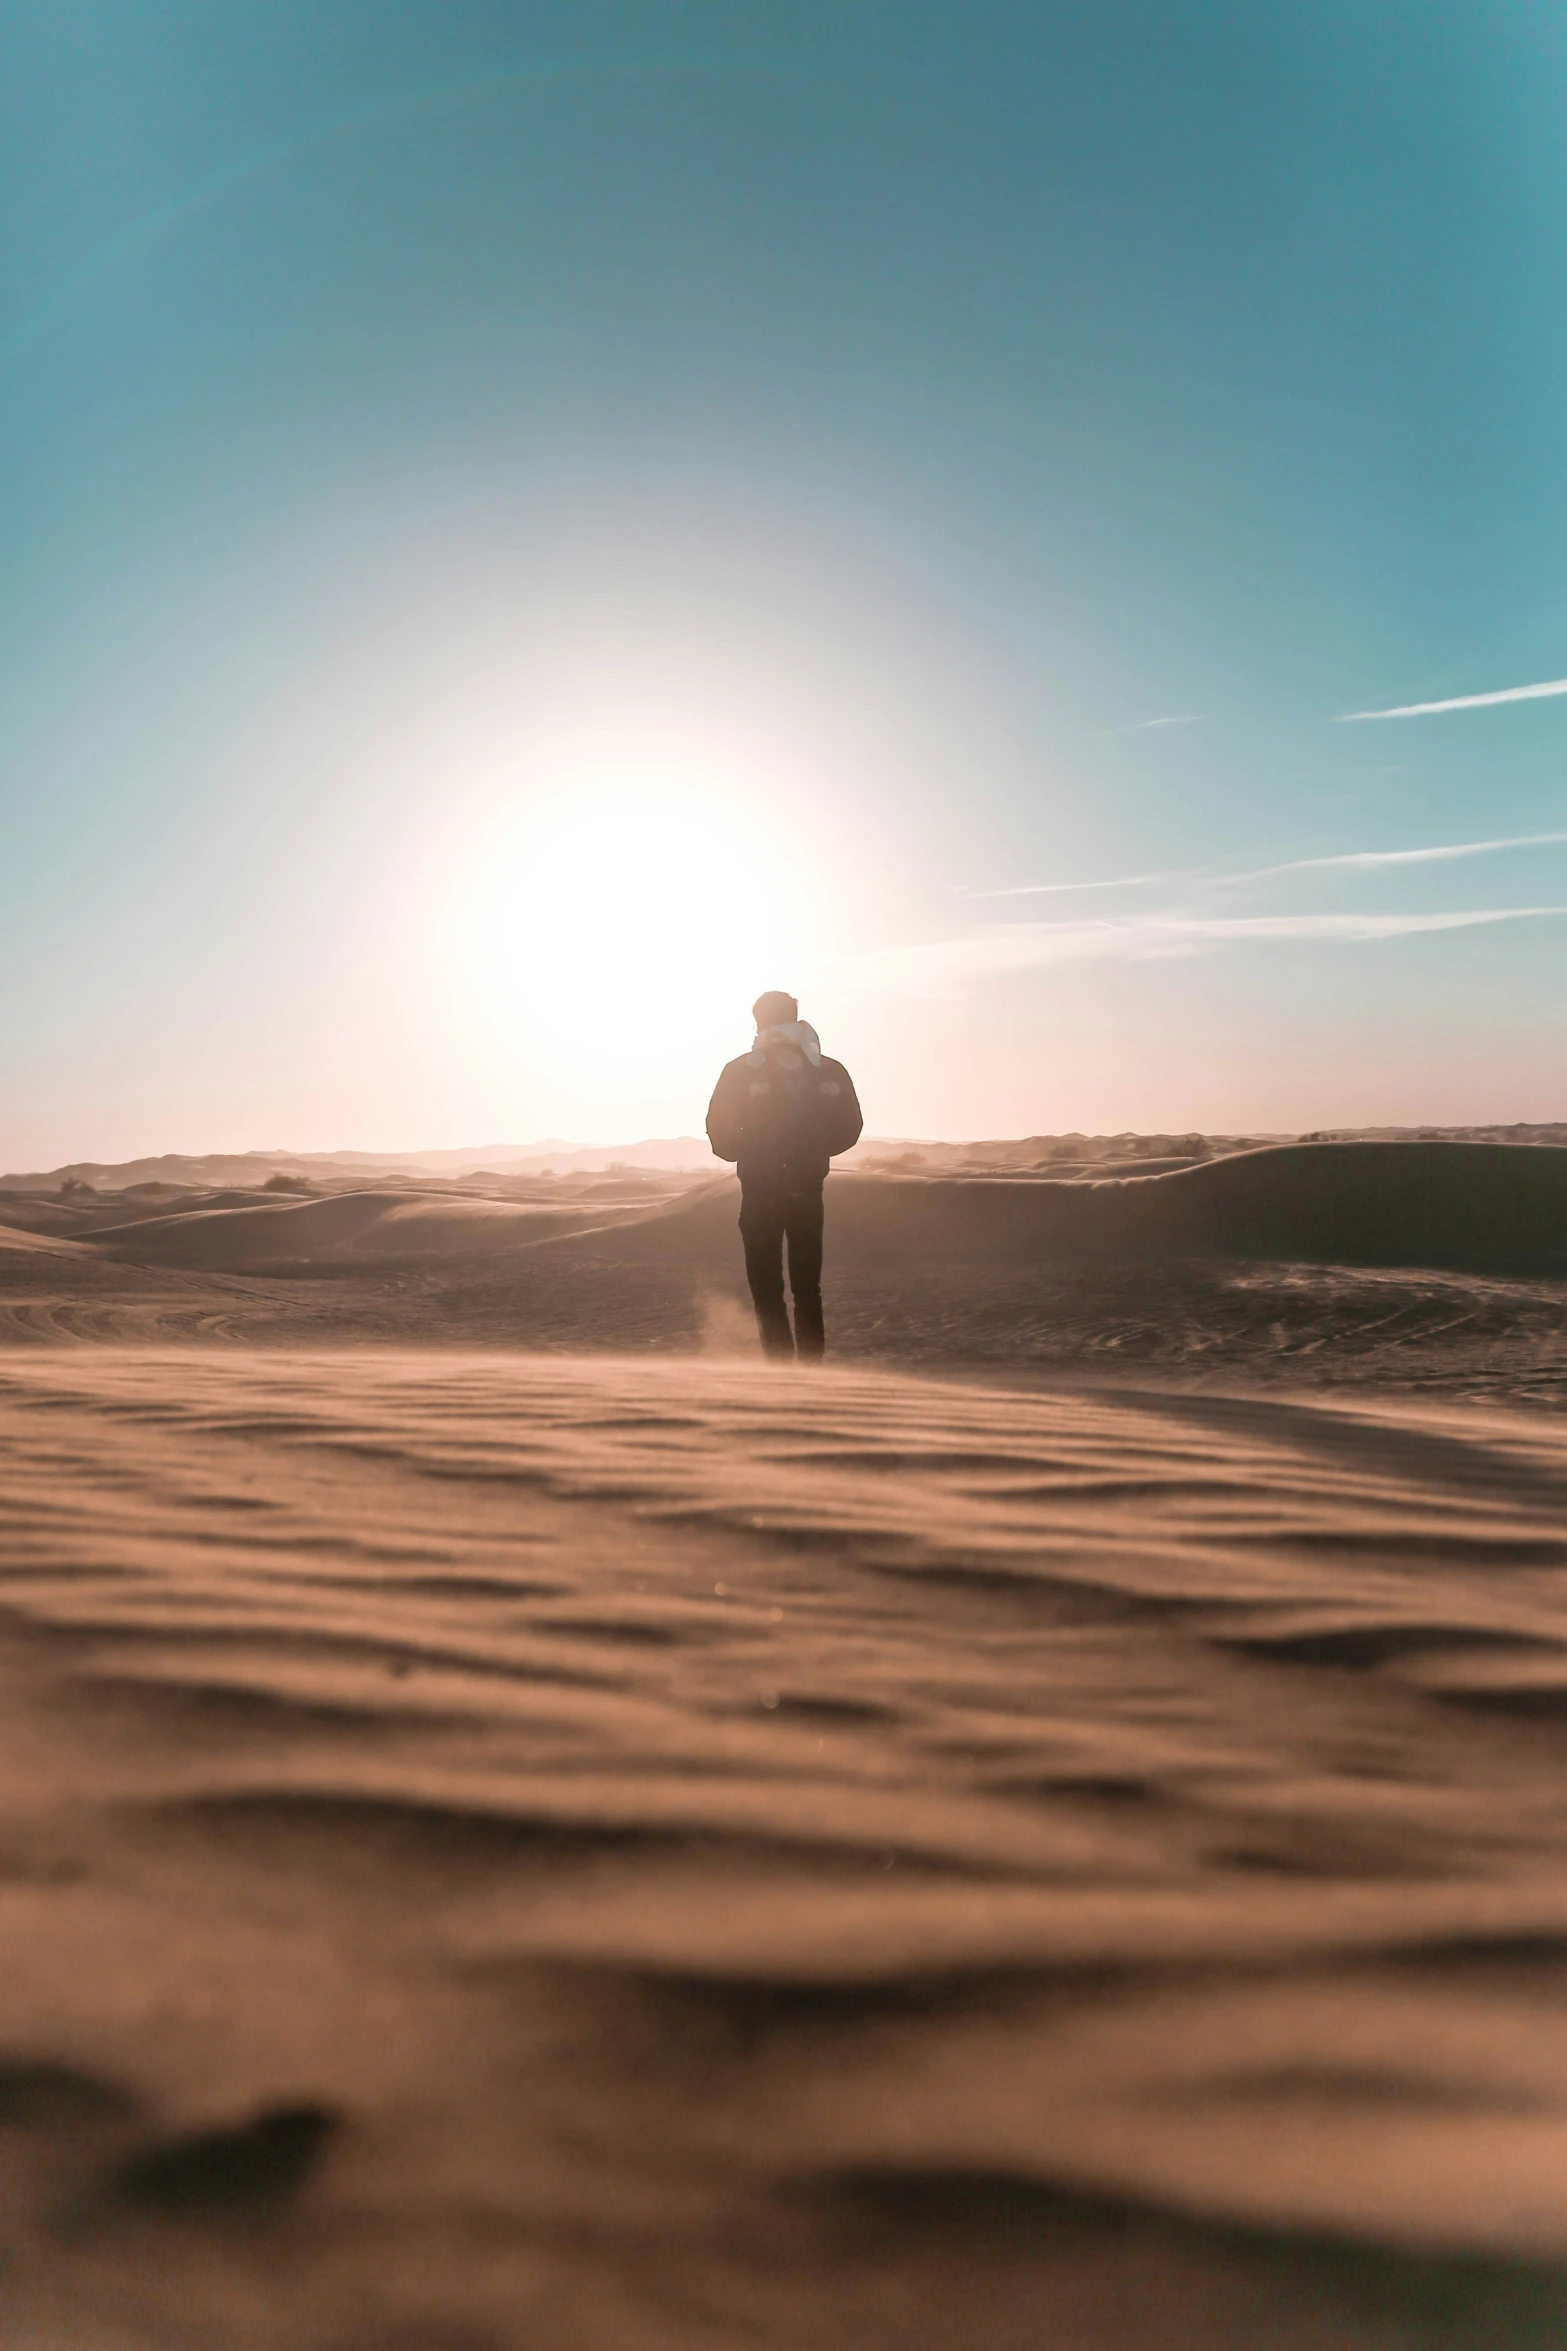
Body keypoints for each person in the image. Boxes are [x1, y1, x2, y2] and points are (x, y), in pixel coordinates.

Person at [705, 992, 863, 1361]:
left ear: (758, 1022)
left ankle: (781, 1370)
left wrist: (753, 1153)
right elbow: (850, 1127)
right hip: (806, 1192)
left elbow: (719, 1130)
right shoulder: (825, 1069)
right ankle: (808, 1370)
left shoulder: (741, 1070)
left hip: (761, 1193)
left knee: (767, 1287)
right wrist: (811, 1155)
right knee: (807, 1287)